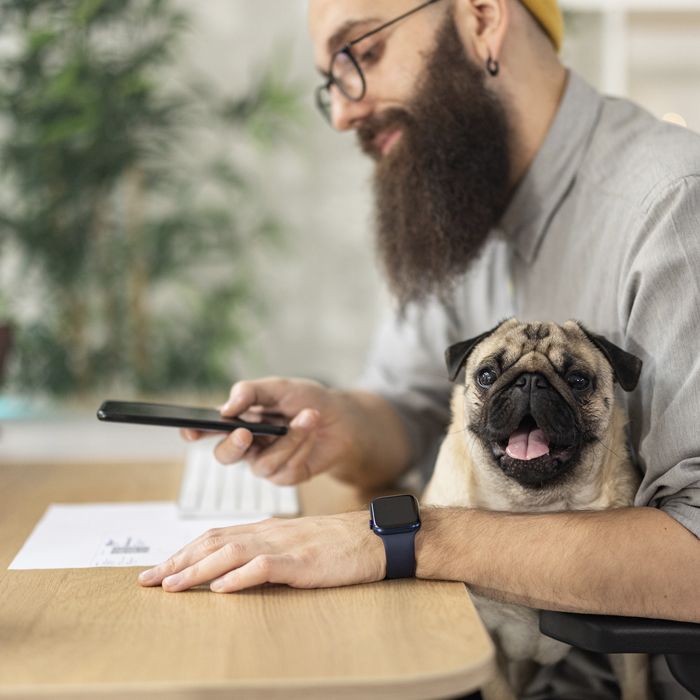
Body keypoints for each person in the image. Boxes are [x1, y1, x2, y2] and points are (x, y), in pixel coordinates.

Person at [139, 1, 700, 697]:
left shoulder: (674, 207)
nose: (344, 114)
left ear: (482, 19)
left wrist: (400, 537)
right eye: (331, 83)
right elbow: (404, 412)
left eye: (362, 56)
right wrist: (337, 419)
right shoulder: (458, 204)